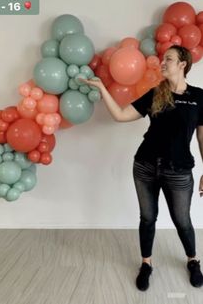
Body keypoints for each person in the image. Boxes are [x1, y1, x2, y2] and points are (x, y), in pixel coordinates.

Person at [81, 45, 203, 291]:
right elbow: (120, 115)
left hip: (179, 170)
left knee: (182, 220)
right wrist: (102, 88)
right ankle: (146, 264)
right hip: (145, 166)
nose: (163, 62)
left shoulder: (199, 97)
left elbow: (202, 138)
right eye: (162, 58)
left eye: (168, 59)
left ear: (182, 64)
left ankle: (192, 260)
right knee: (148, 218)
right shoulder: (155, 93)